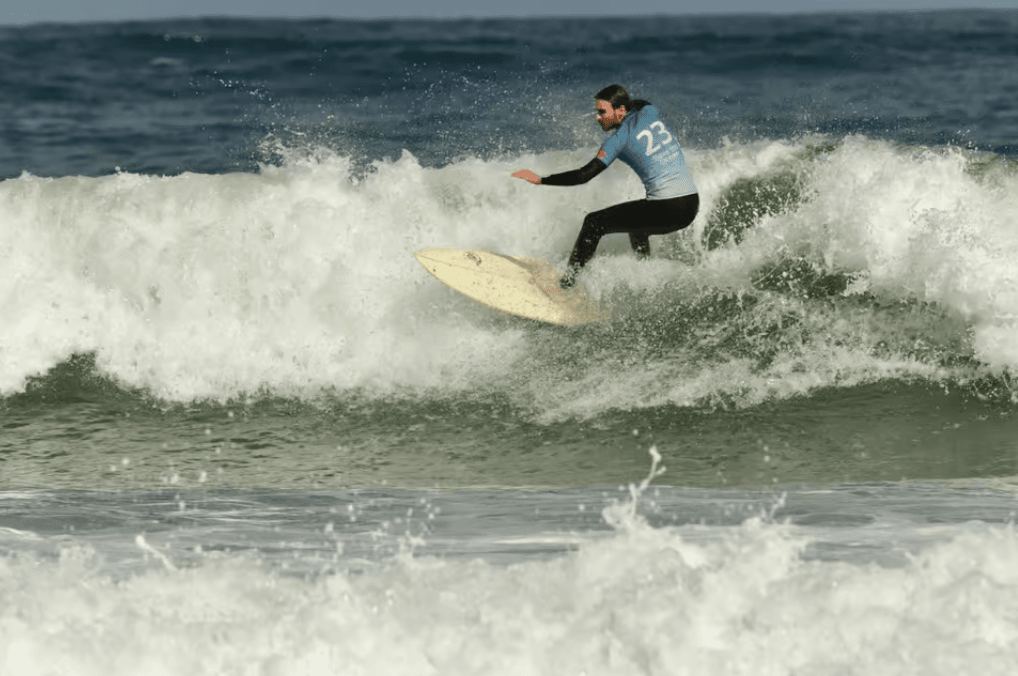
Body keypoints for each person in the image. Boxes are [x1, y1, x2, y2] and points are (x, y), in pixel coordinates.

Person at [512, 84, 699, 289]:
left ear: (620, 111)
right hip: (690, 204)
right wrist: (627, 104)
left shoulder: (618, 139)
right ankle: (647, 277)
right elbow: (643, 102)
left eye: (602, 112)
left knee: (593, 223)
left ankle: (566, 285)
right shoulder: (649, 113)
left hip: (666, 208)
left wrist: (541, 180)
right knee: (637, 227)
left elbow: (584, 176)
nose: (598, 118)